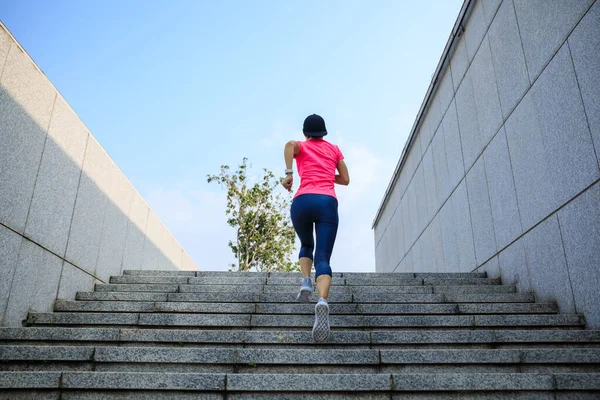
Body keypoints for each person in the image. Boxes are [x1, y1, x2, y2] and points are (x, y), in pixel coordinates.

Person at [281, 114, 350, 342]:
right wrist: (328, 174)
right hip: (327, 202)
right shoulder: (334, 150)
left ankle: (305, 282)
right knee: (323, 257)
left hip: (302, 201)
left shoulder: (301, 147)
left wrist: (290, 174)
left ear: (305, 133)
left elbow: (289, 145)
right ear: (324, 133)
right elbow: (346, 179)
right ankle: (322, 300)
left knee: (306, 244)